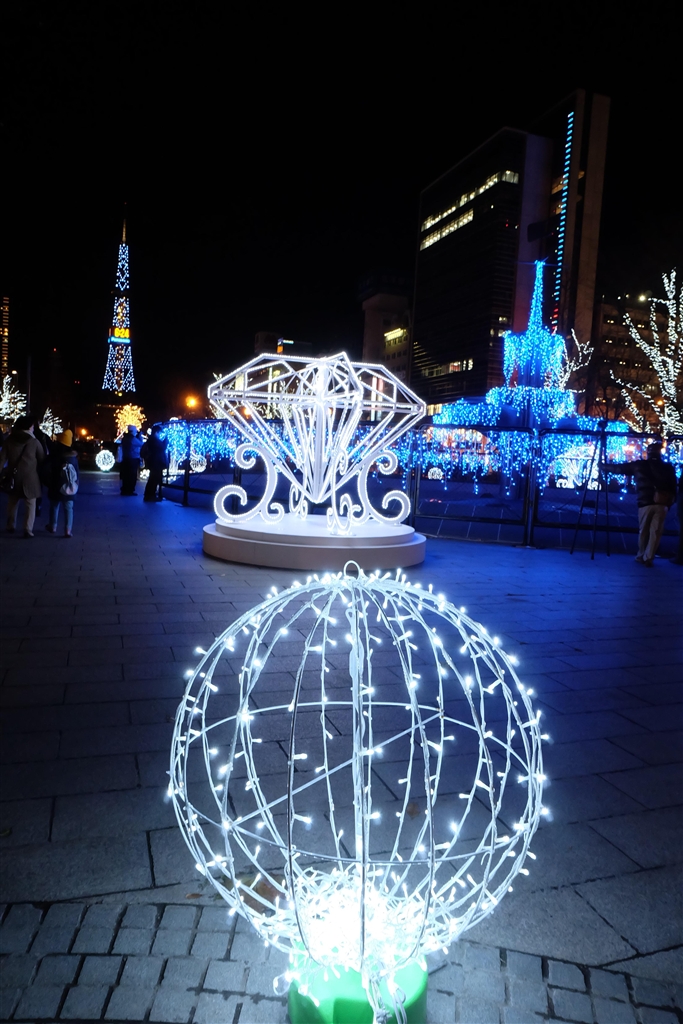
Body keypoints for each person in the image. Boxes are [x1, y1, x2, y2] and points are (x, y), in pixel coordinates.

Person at [604, 442, 677, 566]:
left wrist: (603, 466)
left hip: (645, 500)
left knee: (643, 530)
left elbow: (620, 469)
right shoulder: (668, 468)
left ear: (648, 452)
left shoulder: (639, 465)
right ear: (660, 453)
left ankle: (641, 554)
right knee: (655, 532)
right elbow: (673, 486)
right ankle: (649, 557)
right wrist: (670, 502)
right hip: (662, 502)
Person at [0, 414, 45, 537]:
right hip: (30, 477)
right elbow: (41, 458)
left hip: (13, 477)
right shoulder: (34, 442)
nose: (33, 428)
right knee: (30, 504)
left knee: (12, 502)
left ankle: (10, 525)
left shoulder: (9, 441)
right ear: (29, 427)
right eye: (32, 426)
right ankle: (27, 529)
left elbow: (2, 459)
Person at [45, 429, 79, 538]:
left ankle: (53, 526)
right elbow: (77, 473)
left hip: (56, 484)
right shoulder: (73, 458)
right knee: (69, 508)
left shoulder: (55, 455)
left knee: (54, 506)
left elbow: (48, 468)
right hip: (69, 486)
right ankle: (68, 530)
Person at [140, 424, 169, 502]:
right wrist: (166, 441)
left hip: (153, 462)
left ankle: (149, 495)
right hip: (156, 462)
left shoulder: (151, 440)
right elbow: (162, 447)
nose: (160, 435)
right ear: (156, 432)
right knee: (154, 479)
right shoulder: (154, 440)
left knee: (153, 479)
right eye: (159, 433)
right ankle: (150, 495)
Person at [118, 424, 144, 495]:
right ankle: (130, 490)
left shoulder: (125, 438)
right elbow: (141, 444)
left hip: (125, 458)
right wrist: (140, 437)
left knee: (126, 475)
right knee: (132, 475)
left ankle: (125, 489)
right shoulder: (133, 439)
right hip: (133, 459)